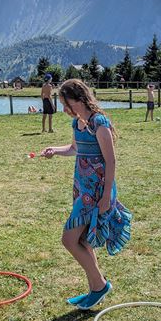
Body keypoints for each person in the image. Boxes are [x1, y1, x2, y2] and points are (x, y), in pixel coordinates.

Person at [39, 79, 132, 309]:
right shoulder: (77, 124)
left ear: (78, 99)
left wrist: (106, 195)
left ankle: (99, 285)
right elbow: (74, 149)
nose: (64, 109)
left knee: (69, 239)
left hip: (97, 191)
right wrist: (54, 150)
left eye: (66, 103)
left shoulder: (98, 123)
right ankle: (95, 288)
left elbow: (110, 160)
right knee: (81, 240)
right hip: (82, 189)